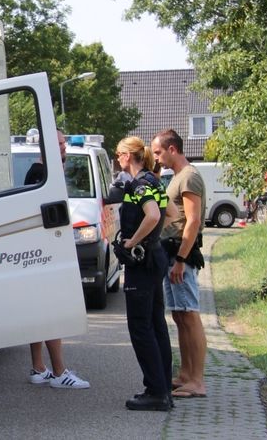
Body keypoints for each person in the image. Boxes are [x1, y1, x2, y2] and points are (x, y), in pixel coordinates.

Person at [106, 136, 172, 411]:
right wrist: (153, 238)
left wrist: (133, 241)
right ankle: (163, 388)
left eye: (118, 154)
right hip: (155, 256)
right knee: (156, 324)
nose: (117, 159)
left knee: (140, 327)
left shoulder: (139, 184)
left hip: (142, 262)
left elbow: (155, 215)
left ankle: (155, 392)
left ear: (127, 156)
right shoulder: (154, 180)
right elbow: (172, 212)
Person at [24, 130, 91, 389]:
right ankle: (60, 372)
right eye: (60, 143)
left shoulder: (44, 171)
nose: (64, 147)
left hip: (43, 248)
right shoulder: (41, 174)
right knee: (52, 310)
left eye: (64, 143)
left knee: (39, 310)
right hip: (45, 250)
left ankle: (39, 368)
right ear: (48, 146)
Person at [151, 129, 208, 399]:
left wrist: (182, 260)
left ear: (172, 149)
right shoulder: (176, 177)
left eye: (158, 152)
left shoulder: (189, 177)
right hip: (171, 255)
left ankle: (197, 381)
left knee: (190, 315)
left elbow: (193, 221)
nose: (156, 158)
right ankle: (186, 374)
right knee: (179, 315)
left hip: (181, 257)